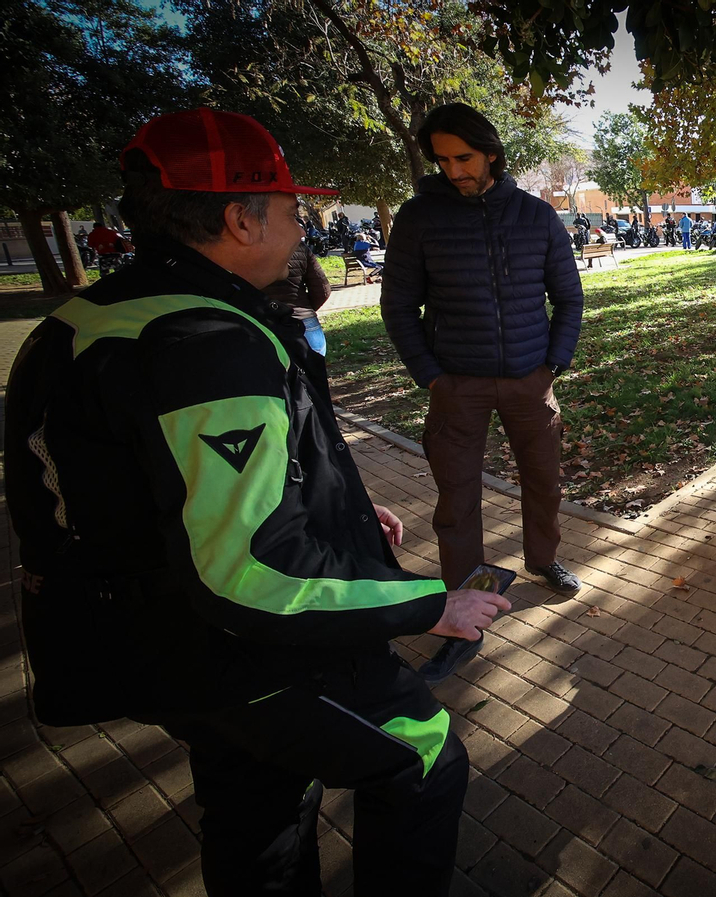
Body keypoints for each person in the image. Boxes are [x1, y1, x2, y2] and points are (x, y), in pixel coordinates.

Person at [5, 108, 511, 895]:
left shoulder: (91, 317)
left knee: (257, 800)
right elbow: (247, 571)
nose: (301, 224)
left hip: (160, 646)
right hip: (237, 651)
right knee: (421, 751)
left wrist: (336, 510)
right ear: (241, 218)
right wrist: (429, 605)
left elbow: (158, 489)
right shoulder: (206, 345)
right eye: (288, 207)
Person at [381, 102, 585, 595]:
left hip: (531, 379)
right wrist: (430, 375)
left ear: (492, 154)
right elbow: (398, 306)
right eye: (443, 160)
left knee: (543, 484)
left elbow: (569, 296)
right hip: (456, 385)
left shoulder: (536, 216)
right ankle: (465, 586)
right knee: (457, 495)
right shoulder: (418, 217)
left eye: (465, 158)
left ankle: (543, 560)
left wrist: (553, 364)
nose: (454, 171)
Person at [267, 234, 334, 355]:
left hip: (265, 323)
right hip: (305, 321)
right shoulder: (298, 246)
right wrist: (305, 309)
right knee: (316, 371)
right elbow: (322, 289)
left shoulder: (246, 249)